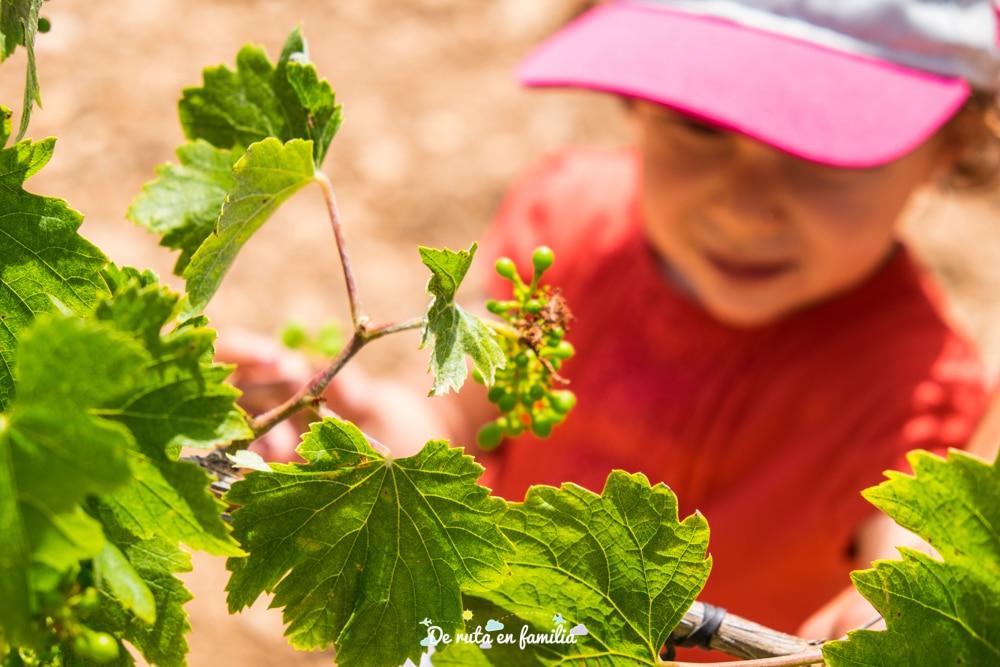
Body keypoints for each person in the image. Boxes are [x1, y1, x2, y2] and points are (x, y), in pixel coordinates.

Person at [224, 0, 1000, 658]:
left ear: (949, 147)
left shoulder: (920, 383)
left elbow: (906, 564)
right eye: (699, 125)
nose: (742, 205)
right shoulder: (562, 227)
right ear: (634, 99)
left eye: (823, 148)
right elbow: (454, 418)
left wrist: (890, 624)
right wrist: (374, 436)